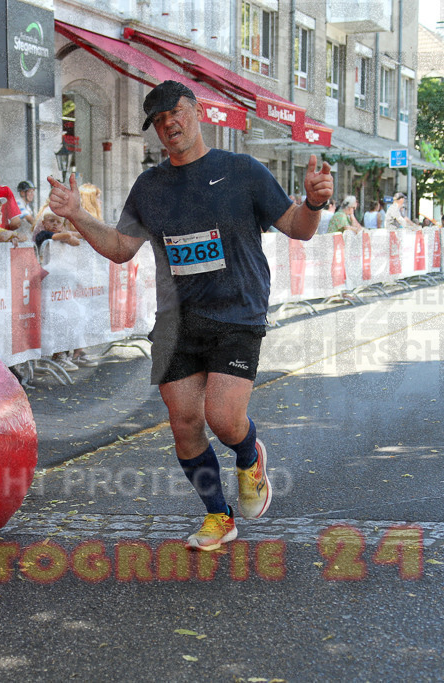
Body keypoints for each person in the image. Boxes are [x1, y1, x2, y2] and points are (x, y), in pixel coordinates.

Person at [47, 80, 334, 551]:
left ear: (197, 111)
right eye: (159, 121)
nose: (169, 125)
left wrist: (314, 203)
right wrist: (77, 213)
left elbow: (297, 228)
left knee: (223, 417)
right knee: (183, 421)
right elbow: (121, 248)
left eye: (175, 113)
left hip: (237, 313)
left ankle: (247, 454)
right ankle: (218, 516)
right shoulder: (150, 186)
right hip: (177, 321)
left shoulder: (242, 170)